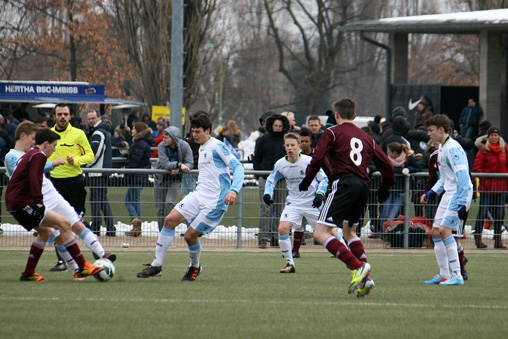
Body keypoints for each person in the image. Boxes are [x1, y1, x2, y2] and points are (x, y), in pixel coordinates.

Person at [299, 97, 395, 298]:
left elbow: (317, 158)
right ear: (355, 116)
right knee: (350, 231)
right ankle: (366, 277)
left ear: (336, 115)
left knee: (320, 233)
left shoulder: (332, 132)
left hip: (344, 183)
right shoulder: (367, 137)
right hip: (363, 185)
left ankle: (357, 266)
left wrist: (307, 181)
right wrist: (384, 188)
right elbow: (386, 165)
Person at [136, 114, 244, 280]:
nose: (194, 134)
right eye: (193, 131)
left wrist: (233, 190)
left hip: (215, 201)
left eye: (198, 131)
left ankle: (195, 266)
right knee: (169, 220)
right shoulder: (201, 147)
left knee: (189, 236)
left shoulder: (217, 146)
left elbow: (238, 167)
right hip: (199, 194)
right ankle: (157, 265)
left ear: (208, 131)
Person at [5, 121, 116, 280]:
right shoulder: (37, 155)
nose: (55, 149)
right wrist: (37, 201)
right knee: (64, 225)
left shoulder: (32, 155)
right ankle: (82, 266)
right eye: (54, 146)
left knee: (46, 232)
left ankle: (29, 272)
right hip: (24, 203)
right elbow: (33, 179)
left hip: (19, 203)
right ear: (46, 144)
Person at [264, 132, 328, 273]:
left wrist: (320, 194)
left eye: (292, 145)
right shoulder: (280, 164)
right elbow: (270, 180)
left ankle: (348, 254)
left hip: (312, 202)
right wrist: (267, 193)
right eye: (287, 145)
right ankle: (289, 264)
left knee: (330, 232)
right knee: (282, 229)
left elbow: (324, 178)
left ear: (299, 147)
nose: (290, 148)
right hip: (293, 202)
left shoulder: (308, 161)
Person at [421, 114, 473, 286]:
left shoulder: (452, 148)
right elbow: (444, 179)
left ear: (441, 130)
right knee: (435, 232)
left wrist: (460, 202)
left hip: (458, 193)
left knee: (445, 231)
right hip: (449, 192)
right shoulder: (442, 148)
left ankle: (457, 275)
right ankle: (444, 274)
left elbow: (463, 176)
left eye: (431, 130)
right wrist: (431, 192)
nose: (428, 134)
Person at [48, 103, 95, 271]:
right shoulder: (48, 135)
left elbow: (90, 155)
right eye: (59, 114)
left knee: (77, 220)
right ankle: (62, 262)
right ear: (54, 116)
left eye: (65, 114)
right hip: (55, 184)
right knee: (57, 224)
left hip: (75, 182)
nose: (62, 117)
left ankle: (98, 252)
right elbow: (41, 155)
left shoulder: (78, 134)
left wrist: (76, 161)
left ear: (70, 116)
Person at [253, 114, 290, 248]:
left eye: (280, 126)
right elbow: (257, 157)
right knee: (265, 208)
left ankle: (276, 237)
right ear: (271, 126)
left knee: (280, 209)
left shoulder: (286, 140)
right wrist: (258, 174)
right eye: (276, 126)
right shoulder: (263, 140)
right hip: (265, 177)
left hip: (282, 178)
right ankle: (262, 238)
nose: (278, 128)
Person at [473, 125, 508, 249]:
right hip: (487, 188)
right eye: (492, 135)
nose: (494, 137)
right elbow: (477, 168)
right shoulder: (483, 151)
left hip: (501, 187)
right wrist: (486, 180)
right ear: (488, 137)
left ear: (499, 136)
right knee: (482, 213)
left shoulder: (505, 149)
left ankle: (498, 240)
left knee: (500, 213)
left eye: (496, 135)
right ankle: (478, 238)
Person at [153, 126, 193, 231]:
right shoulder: (162, 146)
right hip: (161, 179)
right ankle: (162, 232)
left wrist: (179, 170)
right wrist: (179, 165)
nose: (164, 140)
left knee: (169, 203)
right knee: (160, 209)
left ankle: (168, 230)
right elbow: (164, 163)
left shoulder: (184, 146)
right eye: (163, 137)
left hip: (175, 179)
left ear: (174, 138)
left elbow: (190, 162)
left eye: (167, 137)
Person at [379, 142, 421, 234]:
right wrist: (401, 170)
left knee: (393, 212)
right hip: (390, 188)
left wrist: (409, 169)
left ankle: (388, 232)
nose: (387, 153)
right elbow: (386, 168)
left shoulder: (408, 158)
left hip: (402, 190)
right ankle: (383, 232)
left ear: (395, 153)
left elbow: (418, 167)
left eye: (389, 152)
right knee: (385, 211)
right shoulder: (387, 159)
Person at [85, 110, 115, 236]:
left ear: (99, 118)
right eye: (89, 118)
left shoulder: (98, 133)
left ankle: (96, 227)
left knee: (95, 200)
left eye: (93, 118)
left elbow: (95, 153)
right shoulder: (103, 131)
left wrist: (86, 166)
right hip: (101, 171)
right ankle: (110, 228)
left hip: (97, 172)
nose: (91, 120)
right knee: (102, 200)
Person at [124, 122, 153, 236]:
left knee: (130, 201)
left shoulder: (139, 144)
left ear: (138, 131)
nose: (131, 130)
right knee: (133, 200)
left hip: (136, 176)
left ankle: (136, 221)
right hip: (139, 176)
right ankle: (136, 224)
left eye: (133, 129)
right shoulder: (142, 143)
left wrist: (127, 170)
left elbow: (135, 161)